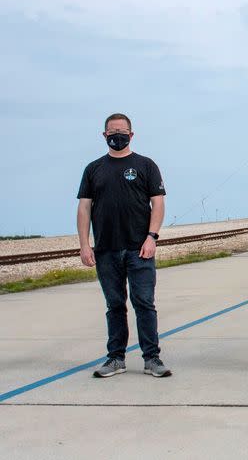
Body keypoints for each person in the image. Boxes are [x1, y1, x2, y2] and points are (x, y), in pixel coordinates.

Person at [77, 113, 171, 378]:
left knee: (144, 303)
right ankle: (115, 358)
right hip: (106, 249)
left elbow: (158, 203)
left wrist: (152, 237)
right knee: (115, 304)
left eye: (121, 131)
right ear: (104, 135)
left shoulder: (145, 165)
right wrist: (85, 245)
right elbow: (84, 208)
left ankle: (152, 358)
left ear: (131, 134)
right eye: (111, 131)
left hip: (139, 248)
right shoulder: (94, 169)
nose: (116, 135)